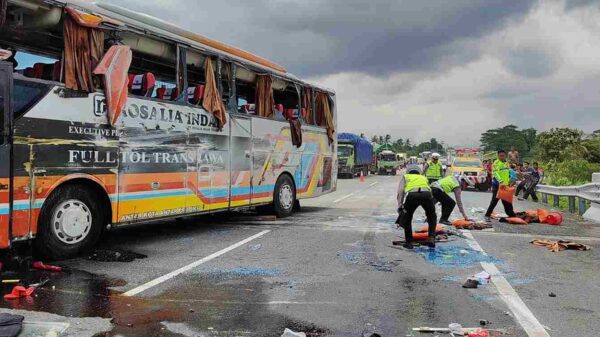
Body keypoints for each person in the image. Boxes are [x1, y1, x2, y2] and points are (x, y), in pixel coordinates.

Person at [396, 164, 437, 249]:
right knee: (432, 216)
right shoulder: (423, 177)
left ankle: (409, 242)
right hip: (427, 195)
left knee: (407, 217)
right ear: (418, 172)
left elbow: (400, 191)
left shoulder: (406, 176)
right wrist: (431, 204)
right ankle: (431, 238)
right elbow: (429, 189)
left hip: (412, 195)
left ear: (408, 171)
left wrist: (400, 206)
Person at [484, 150, 516, 221]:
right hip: (497, 185)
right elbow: (495, 173)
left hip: (505, 185)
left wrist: (511, 178)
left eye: (503, 156)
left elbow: (508, 172)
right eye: (500, 156)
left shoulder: (506, 163)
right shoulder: (496, 163)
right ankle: (487, 214)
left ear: (505, 156)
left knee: (507, 200)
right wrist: (500, 181)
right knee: (494, 200)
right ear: (498, 156)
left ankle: (511, 214)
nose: (502, 157)